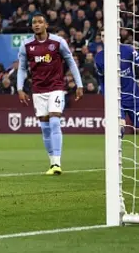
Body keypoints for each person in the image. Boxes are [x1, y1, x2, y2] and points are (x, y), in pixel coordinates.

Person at [17, 12, 83, 176]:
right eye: (34, 23)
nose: (37, 25)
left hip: (56, 87)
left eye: (40, 22)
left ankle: (57, 163)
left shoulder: (58, 42)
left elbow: (70, 62)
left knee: (54, 122)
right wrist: (19, 88)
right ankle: (52, 162)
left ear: (46, 25)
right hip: (38, 90)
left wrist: (79, 84)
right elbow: (22, 68)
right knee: (45, 128)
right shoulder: (26, 45)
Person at [94, 33, 139, 135]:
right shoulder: (99, 58)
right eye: (102, 36)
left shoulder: (128, 50)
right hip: (116, 98)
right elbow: (102, 78)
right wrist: (105, 93)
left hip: (134, 96)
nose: (105, 38)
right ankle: (117, 150)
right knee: (119, 129)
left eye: (106, 35)